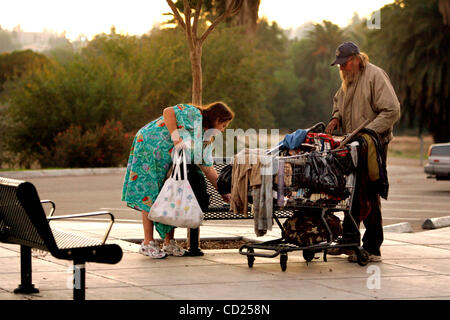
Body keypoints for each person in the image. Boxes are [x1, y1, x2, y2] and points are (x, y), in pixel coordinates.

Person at [122, 102, 234, 258]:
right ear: (216, 118)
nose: (223, 129)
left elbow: (207, 168)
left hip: (169, 159)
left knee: (170, 195)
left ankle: (169, 243)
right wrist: (176, 139)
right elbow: (168, 112)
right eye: (223, 124)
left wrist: (222, 191)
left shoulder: (206, 139)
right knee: (149, 191)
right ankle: (147, 243)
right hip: (150, 146)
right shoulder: (194, 114)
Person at [325, 42, 400, 262]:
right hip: (354, 145)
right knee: (351, 191)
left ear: (357, 58)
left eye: (345, 63)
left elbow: (392, 110)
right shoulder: (349, 79)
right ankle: (349, 242)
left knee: (368, 192)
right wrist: (335, 117)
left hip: (372, 145)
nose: (342, 68)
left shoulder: (375, 76)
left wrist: (368, 132)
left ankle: (373, 247)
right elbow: (339, 101)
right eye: (339, 65)